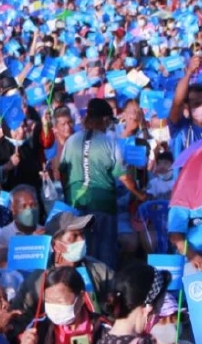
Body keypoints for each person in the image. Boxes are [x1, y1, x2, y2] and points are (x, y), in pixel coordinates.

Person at [60, 99, 143, 269]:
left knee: (81, 251)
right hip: (103, 207)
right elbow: (124, 178)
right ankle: (106, 290)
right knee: (105, 256)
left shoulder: (71, 141)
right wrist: (140, 194)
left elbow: (61, 171)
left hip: (77, 206)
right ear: (105, 120)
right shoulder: (109, 143)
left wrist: (69, 196)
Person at [14, 212, 112, 320]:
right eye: (74, 236)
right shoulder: (38, 280)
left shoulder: (97, 269)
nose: (82, 240)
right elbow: (20, 317)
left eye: (82, 234)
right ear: (56, 244)